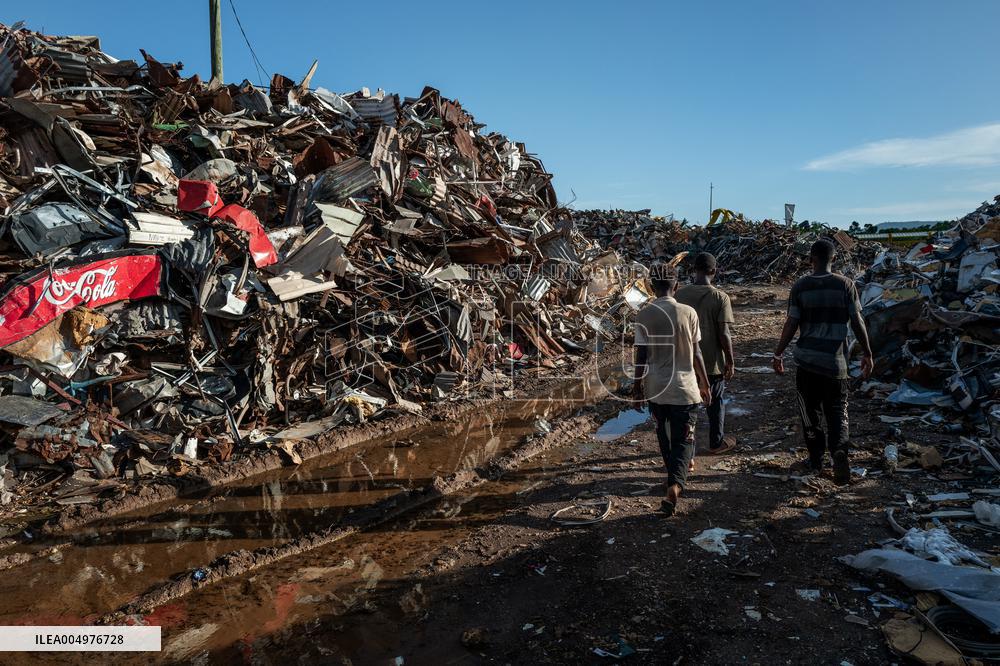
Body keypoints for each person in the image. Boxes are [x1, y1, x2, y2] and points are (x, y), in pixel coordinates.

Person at [772, 239, 873, 485]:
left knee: (810, 412)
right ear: (834, 259)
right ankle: (839, 450)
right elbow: (857, 321)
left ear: (811, 259)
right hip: (836, 363)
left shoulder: (800, 286)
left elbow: (791, 322)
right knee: (838, 410)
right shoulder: (846, 285)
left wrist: (778, 353)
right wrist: (868, 353)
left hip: (807, 362)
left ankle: (816, 459)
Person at [632, 264, 712, 516]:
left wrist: (636, 388)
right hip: (684, 388)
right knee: (684, 438)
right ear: (676, 286)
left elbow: (641, 356)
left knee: (664, 436)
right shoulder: (688, 313)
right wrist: (705, 383)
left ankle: (672, 478)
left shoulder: (643, 315)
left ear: (651, 287)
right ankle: (675, 485)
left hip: (656, 387)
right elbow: (697, 352)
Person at [676, 252, 736, 455]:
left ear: (694, 270)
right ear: (714, 271)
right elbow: (724, 333)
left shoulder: (679, 295)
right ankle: (716, 443)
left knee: (686, 407)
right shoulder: (720, 297)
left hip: (685, 361)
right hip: (712, 363)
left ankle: (684, 449)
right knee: (716, 403)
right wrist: (730, 360)